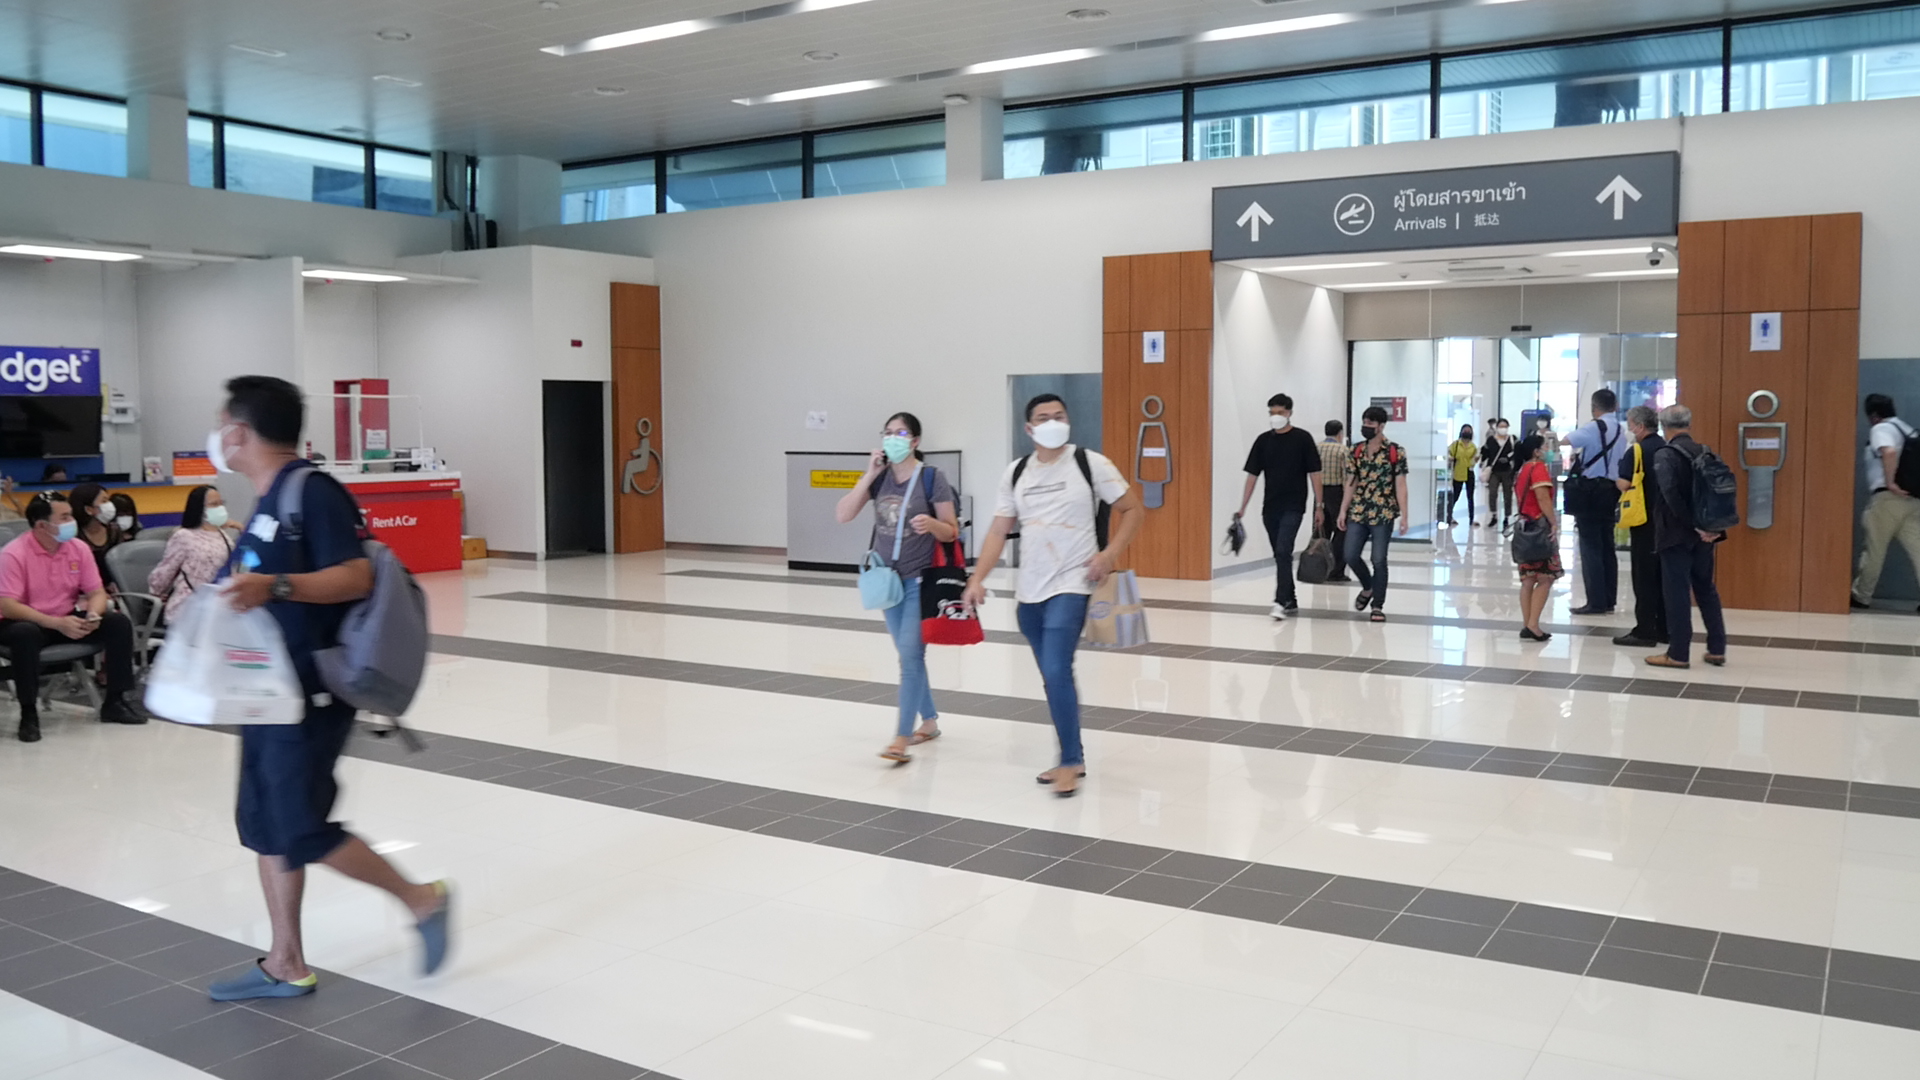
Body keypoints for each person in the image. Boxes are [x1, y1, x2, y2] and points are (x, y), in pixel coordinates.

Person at [203, 375, 451, 1002]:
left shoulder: (311, 491)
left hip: (310, 693)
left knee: (301, 825)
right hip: (265, 692)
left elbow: (356, 576)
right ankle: (285, 961)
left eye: (222, 424)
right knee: (265, 824)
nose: (218, 437)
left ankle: (421, 900)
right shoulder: (265, 502)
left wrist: (275, 587)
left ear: (240, 431)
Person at [962, 394, 1143, 798]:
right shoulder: (1016, 472)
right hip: (1030, 593)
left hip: (1073, 583)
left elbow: (1133, 510)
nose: (1052, 423)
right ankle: (1071, 754)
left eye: (1059, 416)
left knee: (1058, 669)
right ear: (1029, 429)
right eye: (1043, 418)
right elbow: (998, 530)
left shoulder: (1090, 463)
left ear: (1069, 421)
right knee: (1051, 675)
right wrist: (977, 579)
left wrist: (1109, 555)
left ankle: (1070, 760)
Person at [833, 412, 959, 764]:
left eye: (900, 433)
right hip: (888, 580)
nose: (893, 438)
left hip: (921, 579)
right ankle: (929, 721)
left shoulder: (932, 478)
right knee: (907, 654)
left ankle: (900, 738)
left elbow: (951, 531)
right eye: (888, 433)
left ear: (915, 441)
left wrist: (931, 524)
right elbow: (842, 515)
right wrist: (869, 474)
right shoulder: (880, 479)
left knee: (910, 656)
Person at [0, 494, 145, 742]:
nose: (72, 521)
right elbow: (8, 606)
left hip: (64, 615)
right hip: (24, 620)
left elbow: (96, 592)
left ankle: (115, 701)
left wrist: (93, 614)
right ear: (42, 525)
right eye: (65, 517)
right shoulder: (13, 554)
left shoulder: (78, 548)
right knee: (25, 634)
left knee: (117, 623)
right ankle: (29, 713)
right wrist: (55, 623)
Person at [1647, 404, 1727, 670]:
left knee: (1677, 592)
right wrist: (1709, 527)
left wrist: (1693, 525)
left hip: (1675, 534)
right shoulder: (1705, 451)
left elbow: (1670, 494)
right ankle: (1717, 648)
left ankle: (1678, 653)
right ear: (1689, 424)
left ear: (1663, 426)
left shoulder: (1665, 454)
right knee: (1706, 588)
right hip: (1706, 534)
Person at [1235, 393, 1321, 620]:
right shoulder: (1263, 441)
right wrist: (1243, 506)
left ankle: (1280, 601)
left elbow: (1315, 473)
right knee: (1280, 555)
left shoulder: (1303, 439)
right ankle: (1290, 598)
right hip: (1270, 506)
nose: (1276, 416)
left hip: (1294, 505)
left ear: (1289, 412)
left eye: (1280, 412)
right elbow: (1252, 476)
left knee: (1283, 550)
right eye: (1272, 412)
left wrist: (1319, 505)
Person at [1339, 405, 1409, 623]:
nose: (1366, 427)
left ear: (1381, 426)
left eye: (1370, 423)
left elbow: (1400, 485)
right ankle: (1368, 586)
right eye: (1364, 422)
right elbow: (1351, 482)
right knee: (1350, 555)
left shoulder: (1395, 452)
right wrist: (1343, 510)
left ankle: (1377, 605)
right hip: (1358, 511)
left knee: (1378, 559)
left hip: (1383, 512)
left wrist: (1405, 515)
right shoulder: (1355, 451)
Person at [1850, 393, 1920, 610]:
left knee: (1874, 549)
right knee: (1918, 550)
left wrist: (1890, 483)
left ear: (1873, 415)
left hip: (1888, 498)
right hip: (1912, 499)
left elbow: (1888, 452)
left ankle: (1861, 595)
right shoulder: (1908, 430)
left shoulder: (1881, 428)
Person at [1566, 389, 1629, 615]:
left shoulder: (1594, 427)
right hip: (1610, 490)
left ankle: (1596, 601)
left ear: (1594, 407)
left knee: (1590, 547)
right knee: (1606, 546)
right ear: (1615, 406)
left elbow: (1567, 440)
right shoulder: (1620, 430)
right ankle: (1609, 599)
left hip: (1590, 491)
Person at [1612, 405, 1668, 647]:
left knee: (1643, 577)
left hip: (1643, 520)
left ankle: (1645, 630)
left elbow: (1624, 484)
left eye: (1630, 423)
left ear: (1640, 426)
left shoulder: (1636, 450)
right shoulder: (1667, 448)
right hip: (1666, 522)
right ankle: (1665, 628)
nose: (1629, 428)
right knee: (1663, 577)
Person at [148, 484, 236, 623]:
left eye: (221, 503)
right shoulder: (184, 536)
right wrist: (156, 592)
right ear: (200, 508)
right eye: (214, 504)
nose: (220, 508)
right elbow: (165, 572)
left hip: (217, 606)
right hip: (188, 606)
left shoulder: (224, 536)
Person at [1513, 434, 1562, 641]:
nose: (1547, 451)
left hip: (1524, 527)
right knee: (1545, 577)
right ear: (1536, 451)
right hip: (1539, 527)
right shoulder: (1538, 468)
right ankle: (1534, 625)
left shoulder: (1523, 469)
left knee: (1528, 579)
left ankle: (1527, 624)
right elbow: (1542, 498)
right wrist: (1553, 522)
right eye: (1545, 447)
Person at [67, 482, 122, 587]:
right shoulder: (74, 536)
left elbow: (121, 565)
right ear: (89, 509)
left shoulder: (114, 530)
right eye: (104, 501)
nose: (110, 505)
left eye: (108, 500)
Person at [1318, 421, 1351, 583]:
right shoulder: (1342, 450)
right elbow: (1347, 477)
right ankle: (1336, 571)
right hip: (1337, 493)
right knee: (1342, 530)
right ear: (1340, 433)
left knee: (1321, 531)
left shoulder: (1316, 448)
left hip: (1320, 493)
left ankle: (1318, 568)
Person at [1481, 419, 1520, 530]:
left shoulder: (1512, 439)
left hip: (1507, 471)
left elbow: (1516, 453)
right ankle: (1494, 515)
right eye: (1501, 426)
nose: (1503, 429)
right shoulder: (1491, 440)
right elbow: (1486, 453)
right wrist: (1481, 460)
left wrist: (1508, 458)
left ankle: (1507, 517)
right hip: (1494, 470)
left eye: (1505, 426)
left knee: (1508, 494)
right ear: (1497, 427)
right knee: (1492, 492)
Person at [1445, 424, 1477, 528]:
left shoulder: (1473, 446)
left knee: (1470, 497)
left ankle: (1471, 519)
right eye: (1465, 430)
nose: (1467, 432)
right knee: (1455, 496)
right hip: (1458, 472)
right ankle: (1448, 516)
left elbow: (1475, 458)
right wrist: (1450, 458)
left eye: (1468, 431)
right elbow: (1446, 453)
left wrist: (1475, 460)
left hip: (1469, 472)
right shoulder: (1455, 445)